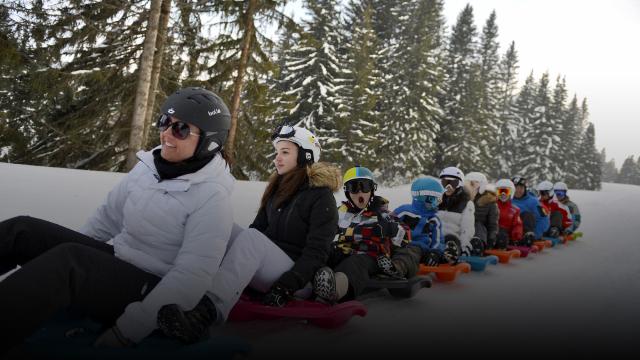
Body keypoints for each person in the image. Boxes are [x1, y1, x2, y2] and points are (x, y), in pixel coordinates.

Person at [0, 87, 234, 353]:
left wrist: (129, 329)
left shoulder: (212, 198)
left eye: (180, 129)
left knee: (70, 261)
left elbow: (191, 277)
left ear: (209, 141)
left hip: (149, 288)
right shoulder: (149, 167)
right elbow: (106, 219)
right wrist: (74, 258)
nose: (166, 133)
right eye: (164, 122)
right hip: (118, 262)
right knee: (24, 230)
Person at [157, 125, 340, 343]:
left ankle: (204, 314)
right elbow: (257, 229)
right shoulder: (278, 189)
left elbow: (317, 251)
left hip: (297, 281)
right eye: (277, 152)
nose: (277, 158)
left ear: (305, 156)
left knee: (252, 240)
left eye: (285, 152)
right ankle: (184, 286)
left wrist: (287, 286)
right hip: (267, 266)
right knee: (223, 226)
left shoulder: (321, 196)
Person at [312, 166, 417, 303]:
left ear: (372, 190)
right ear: (347, 191)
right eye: (354, 187)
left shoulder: (382, 214)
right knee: (322, 254)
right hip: (342, 251)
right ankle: (308, 283)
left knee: (355, 263)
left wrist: (389, 228)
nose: (360, 192)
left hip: (370, 256)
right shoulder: (339, 212)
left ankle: (335, 290)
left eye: (365, 186)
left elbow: (406, 236)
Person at [393, 176, 458, 265]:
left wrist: (435, 252)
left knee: (410, 253)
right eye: (435, 199)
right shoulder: (404, 211)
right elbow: (389, 222)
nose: (438, 202)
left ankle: (397, 268)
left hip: (420, 249)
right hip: (399, 244)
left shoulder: (434, 219)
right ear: (424, 198)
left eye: (439, 199)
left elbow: (438, 240)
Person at [437, 167, 476, 257]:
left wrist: (464, 246)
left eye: (453, 183)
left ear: (460, 184)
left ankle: (449, 255)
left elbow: (467, 228)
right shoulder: (437, 200)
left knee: (449, 240)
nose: (448, 187)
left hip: (453, 239)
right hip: (436, 237)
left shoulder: (466, 203)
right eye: (445, 183)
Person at [465, 172, 499, 252]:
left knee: (477, 224)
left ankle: (477, 244)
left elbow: (493, 224)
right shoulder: (462, 198)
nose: (471, 187)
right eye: (469, 184)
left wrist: (491, 238)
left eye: (474, 184)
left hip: (480, 231)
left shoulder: (489, 201)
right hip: (463, 228)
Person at [511, 175, 549, 244]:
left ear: (525, 189)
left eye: (521, 188)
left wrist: (535, 235)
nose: (518, 190)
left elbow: (544, 219)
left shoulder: (533, 202)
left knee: (527, 215)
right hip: (509, 232)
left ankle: (528, 235)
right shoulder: (507, 200)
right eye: (516, 188)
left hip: (525, 232)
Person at [495, 179, 525, 246]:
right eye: (501, 191)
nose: (503, 194)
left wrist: (517, 236)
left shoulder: (515, 209)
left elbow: (517, 225)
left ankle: (514, 242)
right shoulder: (493, 206)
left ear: (511, 192)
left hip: (507, 236)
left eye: (506, 191)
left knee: (504, 232)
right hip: (493, 232)